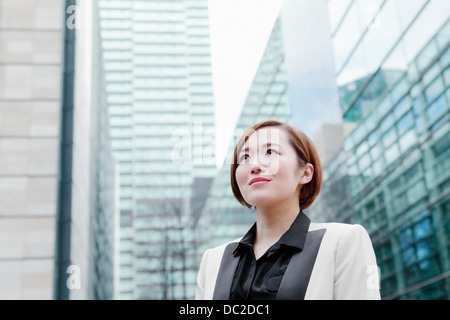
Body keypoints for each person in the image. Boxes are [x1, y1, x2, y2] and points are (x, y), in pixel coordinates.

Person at [195, 119, 381, 300]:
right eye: (245, 157)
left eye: (270, 151)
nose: (254, 166)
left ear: (305, 173)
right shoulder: (213, 260)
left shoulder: (343, 241)